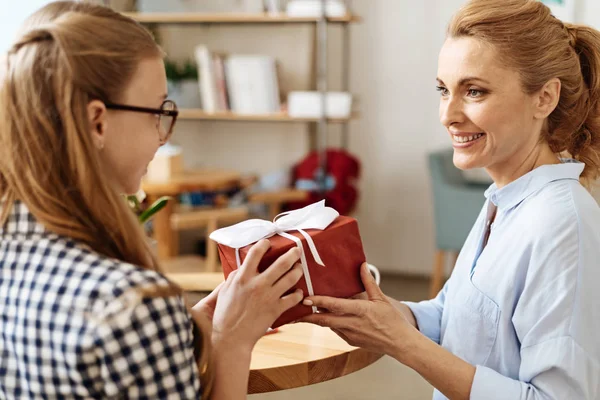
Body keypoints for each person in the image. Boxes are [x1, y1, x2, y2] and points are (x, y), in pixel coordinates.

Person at [0, 2, 305, 398]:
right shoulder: (129, 305)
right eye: (156, 111)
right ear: (97, 122)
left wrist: (183, 328)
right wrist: (232, 340)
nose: (163, 137)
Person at [299, 0, 600, 399]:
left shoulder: (562, 225)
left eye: (474, 91)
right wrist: (388, 314)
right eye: (444, 90)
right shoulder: (504, 200)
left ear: (544, 98)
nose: (448, 114)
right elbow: (456, 316)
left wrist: (402, 343)